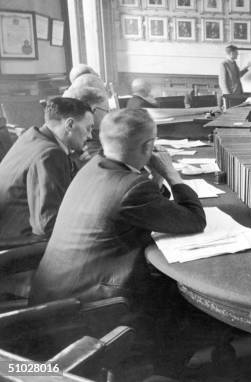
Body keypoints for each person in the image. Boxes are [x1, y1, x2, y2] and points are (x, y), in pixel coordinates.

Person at [29, 108, 206, 305]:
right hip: (92, 305)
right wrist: (172, 174)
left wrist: (156, 177)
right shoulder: (133, 188)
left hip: (56, 292)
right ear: (149, 146)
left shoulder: (95, 165)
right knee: (190, 303)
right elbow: (195, 220)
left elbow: (146, 206)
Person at [0, 97, 93, 246]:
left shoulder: (32, 136)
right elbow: (47, 223)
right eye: (88, 128)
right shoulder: (50, 154)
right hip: (19, 242)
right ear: (69, 124)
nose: (90, 136)